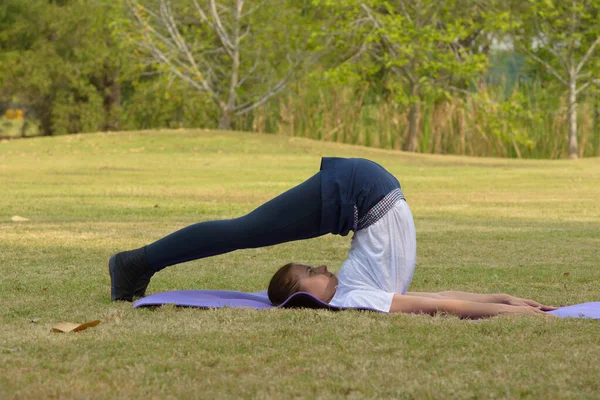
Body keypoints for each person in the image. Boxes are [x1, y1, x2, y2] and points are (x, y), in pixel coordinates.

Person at [109, 157, 556, 318]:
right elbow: (440, 300)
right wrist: (508, 302)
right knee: (245, 230)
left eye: (308, 269)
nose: (321, 266)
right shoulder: (354, 296)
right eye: (310, 273)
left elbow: (438, 304)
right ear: (308, 300)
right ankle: (135, 263)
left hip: (364, 192)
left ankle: (136, 262)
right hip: (369, 191)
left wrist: (506, 307)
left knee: (246, 230)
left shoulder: (349, 291)